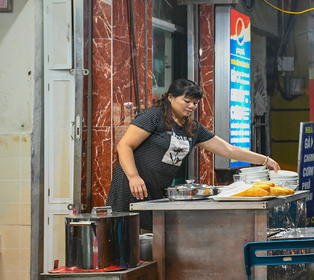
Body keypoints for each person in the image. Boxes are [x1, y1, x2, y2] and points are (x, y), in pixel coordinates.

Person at [106, 79, 280, 231]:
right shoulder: (153, 116)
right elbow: (124, 145)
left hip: (157, 190)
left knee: (152, 236)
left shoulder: (192, 128)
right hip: (132, 186)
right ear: (170, 97)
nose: (191, 106)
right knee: (125, 233)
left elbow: (228, 150)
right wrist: (133, 176)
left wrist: (265, 160)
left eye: (195, 103)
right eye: (187, 101)